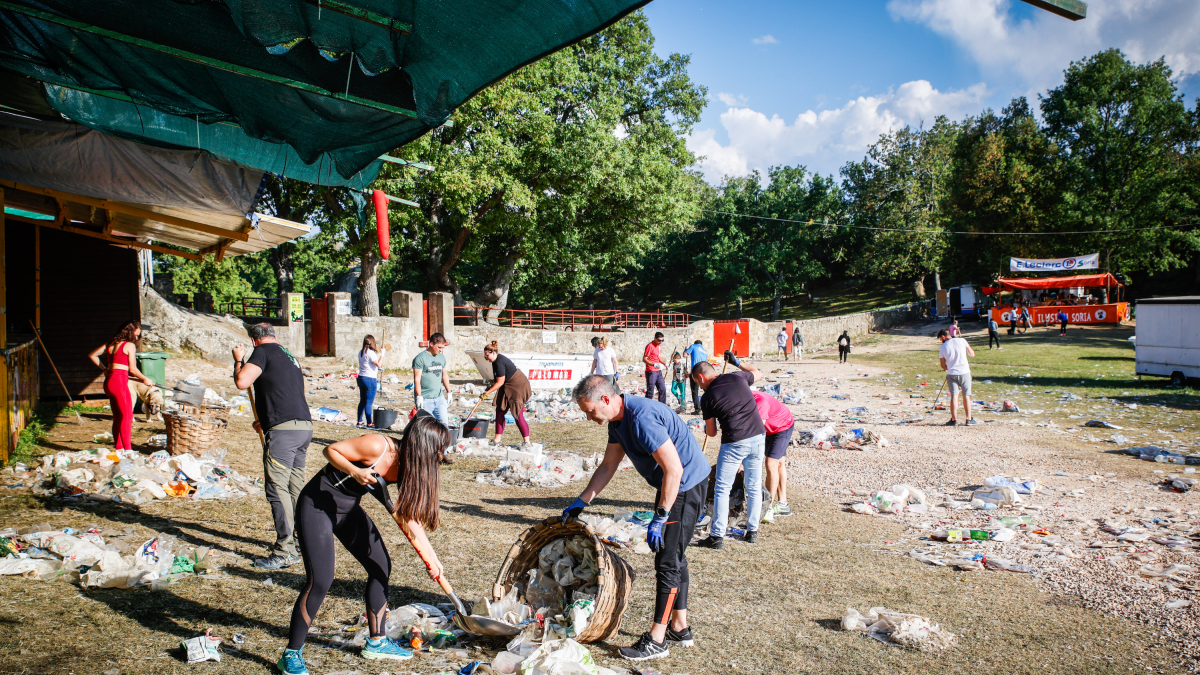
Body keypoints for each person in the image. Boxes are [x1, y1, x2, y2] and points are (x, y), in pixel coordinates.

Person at [277, 416, 450, 674]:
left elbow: (408, 517)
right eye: (439, 449)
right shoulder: (377, 446)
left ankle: (377, 642)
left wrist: (433, 559)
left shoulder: (409, 466)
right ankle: (291, 653)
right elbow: (330, 450)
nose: (441, 455)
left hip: (347, 510)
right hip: (317, 507)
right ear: (422, 446)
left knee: (381, 566)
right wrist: (355, 471)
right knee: (321, 580)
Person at [563, 375, 709, 662]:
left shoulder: (641, 418)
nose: (589, 417)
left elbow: (675, 470)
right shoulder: (618, 421)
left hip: (685, 484)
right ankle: (680, 627)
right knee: (674, 556)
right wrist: (582, 501)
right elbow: (608, 465)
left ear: (605, 399)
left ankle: (657, 639)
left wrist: (661, 516)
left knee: (667, 560)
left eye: (590, 410)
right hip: (673, 484)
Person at [234, 323, 312, 570]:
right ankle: (304, 544)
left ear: (255, 340)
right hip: (302, 427)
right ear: (274, 336)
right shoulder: (289, 356)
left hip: (285, 432)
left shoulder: (262, 351)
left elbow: (242, 382)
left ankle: (286, 550)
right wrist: (266, 419)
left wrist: (238, 361)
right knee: (295, 487)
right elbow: (283, 390)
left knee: (277, 489)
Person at [690, 351, 765, 549]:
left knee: (722, 488)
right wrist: (737, 363)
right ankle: (752, 531)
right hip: (758, 436)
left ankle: (716, 537)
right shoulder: (737, 377)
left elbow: (712, 433)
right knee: (754, 485)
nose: (700, 386)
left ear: (701, 377)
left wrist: (707, 425)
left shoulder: (707, 398)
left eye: (699, 383)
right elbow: (757, 373)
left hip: (734, 441)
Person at [87, 321, 155, 451]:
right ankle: (128, 450)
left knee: (118, 416)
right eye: (136, 335)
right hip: (118, 382)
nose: (136, 338)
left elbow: (93, 355)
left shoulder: (110, 344)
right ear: (129, 332)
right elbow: (133, 370)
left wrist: (105, 369)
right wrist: (145, 378)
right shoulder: (129, 346)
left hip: (109, 381)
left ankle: (119, 449)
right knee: (127, 416)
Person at [481, 341, 533, 446]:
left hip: (517, 386)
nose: (486, 358)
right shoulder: (494, 362)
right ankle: (497, 440)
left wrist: (487, 393)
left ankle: (527, 442)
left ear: (493, 352)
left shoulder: (499, 362)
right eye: (485, 356)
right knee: (500, 411)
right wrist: (490, 387)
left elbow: (500, 382)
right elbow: (498, 380)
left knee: (517, 414)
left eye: (487, 356)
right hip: (507, 385)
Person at [753, 390, 794, 524]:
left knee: (771, 463)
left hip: (782, 425)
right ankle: (783, 504)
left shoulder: (760, 402)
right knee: (779, 462)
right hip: (769, 426)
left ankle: (768, 507)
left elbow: (756, 433)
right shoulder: (741, 398)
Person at [937, 329, 976, 426]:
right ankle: (969, 419)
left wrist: (948, 368)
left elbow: (942, 365)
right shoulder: (962, 340)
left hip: (952, 373)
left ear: (943, 336)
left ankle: (954, 420)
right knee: (966, 396)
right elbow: (972, 353)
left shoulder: (943, 347)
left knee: (954, 396)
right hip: (965, 372)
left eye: (940, 339)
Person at [412, 333, 451, 424]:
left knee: (444, 425)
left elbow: (444, 375)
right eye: (439, 347)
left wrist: (449, 392)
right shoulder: (420, 358)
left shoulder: (441, 358)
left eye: (442, 348)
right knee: (424, 426)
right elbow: (417, 379)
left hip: (439, 398)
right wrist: (419, 396)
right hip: (425, 399)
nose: (441, 350)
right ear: (431, 344)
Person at [357, 336, 386, 427]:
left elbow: (370, 365)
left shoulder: (361, 352)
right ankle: (369, 423)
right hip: (370, 379)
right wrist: (382, 354)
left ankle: (360, 421)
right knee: (369, 402)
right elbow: (379, 364)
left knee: (362, 401)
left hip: (361, 377)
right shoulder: (371, 353)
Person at [682, 340, 708, 413]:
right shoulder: (704, 350)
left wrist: (686, 349)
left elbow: (685, 355)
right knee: (706, 390)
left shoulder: (693, 346)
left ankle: (698, 409)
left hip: (696, 371)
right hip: (704, 371)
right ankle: (709, 407)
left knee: (694, 391)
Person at [643, 332, 667, 404]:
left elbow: (658, 357)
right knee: (650, 391)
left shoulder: (659, 346)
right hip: (651, 370)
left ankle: (662, 406)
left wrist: (665, 363)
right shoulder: (650, 346)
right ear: (655, 338)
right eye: (659, 340)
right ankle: (646, 406)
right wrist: (654, 364)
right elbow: (644, 359)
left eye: (662, 340)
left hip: (658, 370)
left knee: (662, 389)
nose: (660, 342)